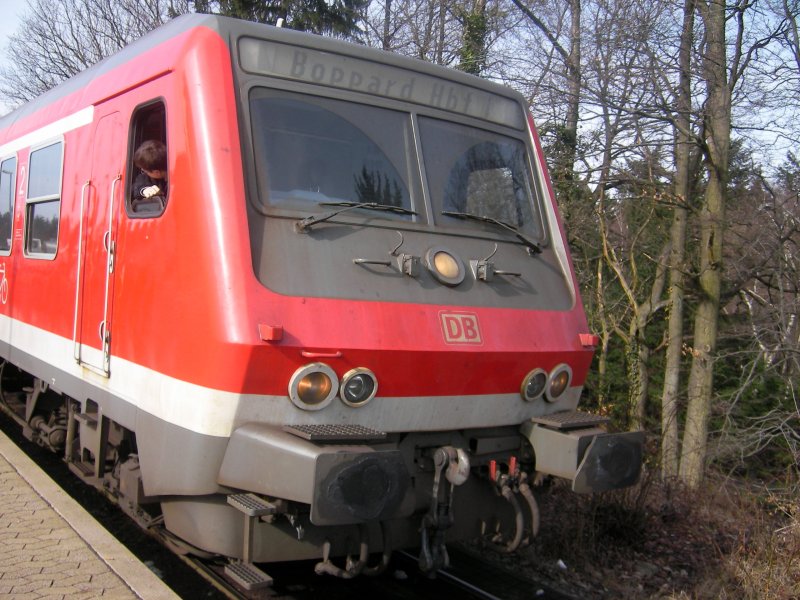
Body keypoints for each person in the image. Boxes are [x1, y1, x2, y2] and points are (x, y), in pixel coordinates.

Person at [132, 140, 168, 208]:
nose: (143, 172)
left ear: (156, 172)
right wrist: (145, 190)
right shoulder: (147, 178)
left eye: (146, 171)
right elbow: (136, 187)